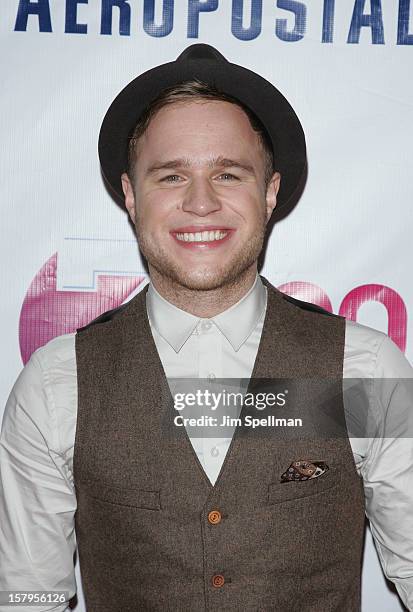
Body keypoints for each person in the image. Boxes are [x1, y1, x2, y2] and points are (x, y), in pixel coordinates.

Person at [1, 44, 412, 612]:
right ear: (129, 195)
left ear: (269, 192)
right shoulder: (56, 384)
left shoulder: (361, 370)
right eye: (171, 175)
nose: (201, 202)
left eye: (228, 173)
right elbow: (27, 597)